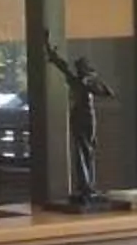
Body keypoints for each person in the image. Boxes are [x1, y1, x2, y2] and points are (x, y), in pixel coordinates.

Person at [43, 36, 113, 208]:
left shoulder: (80, 81)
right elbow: (107, 92)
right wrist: (92, 78)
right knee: (84, 151)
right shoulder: (81, 82)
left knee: (88, 150)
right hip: (83, 116)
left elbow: (107, 92)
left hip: (87, 117)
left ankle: (88, 185)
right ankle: (86, 186)